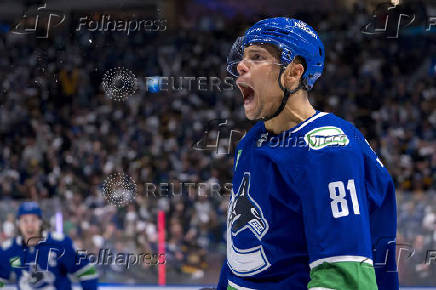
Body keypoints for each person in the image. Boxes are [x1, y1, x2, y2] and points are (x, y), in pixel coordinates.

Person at [217, 17, 398, 289]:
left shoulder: (330, 148)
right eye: (243, 58)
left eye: (257, 57)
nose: (241, 66)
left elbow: (344, 277)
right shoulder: (250, 143)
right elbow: (239, 253)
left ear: (293, 73)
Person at [0, 202, 98, 289]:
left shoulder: (60, 244)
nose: (29, 225)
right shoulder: (9, 250)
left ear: (40, 222)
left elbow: (86, 271)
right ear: (18, 224)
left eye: (33, 220)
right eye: (25, 221)